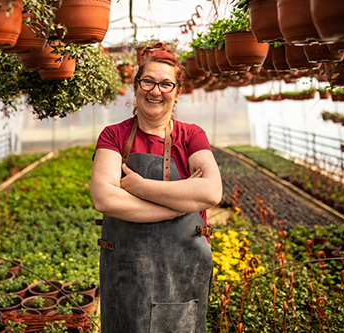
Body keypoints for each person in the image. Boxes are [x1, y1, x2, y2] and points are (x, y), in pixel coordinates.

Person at [91, 42, 223, 333]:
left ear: (177, 92)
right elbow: (104, 198)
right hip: (126, 273)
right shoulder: (114, 136)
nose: (155, 90)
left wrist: (138, 186)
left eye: (166, 84)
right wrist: (177, 205)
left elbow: (211, 192)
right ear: (136, 86)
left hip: (181, 273)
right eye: (148, 81)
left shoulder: (191, 135)